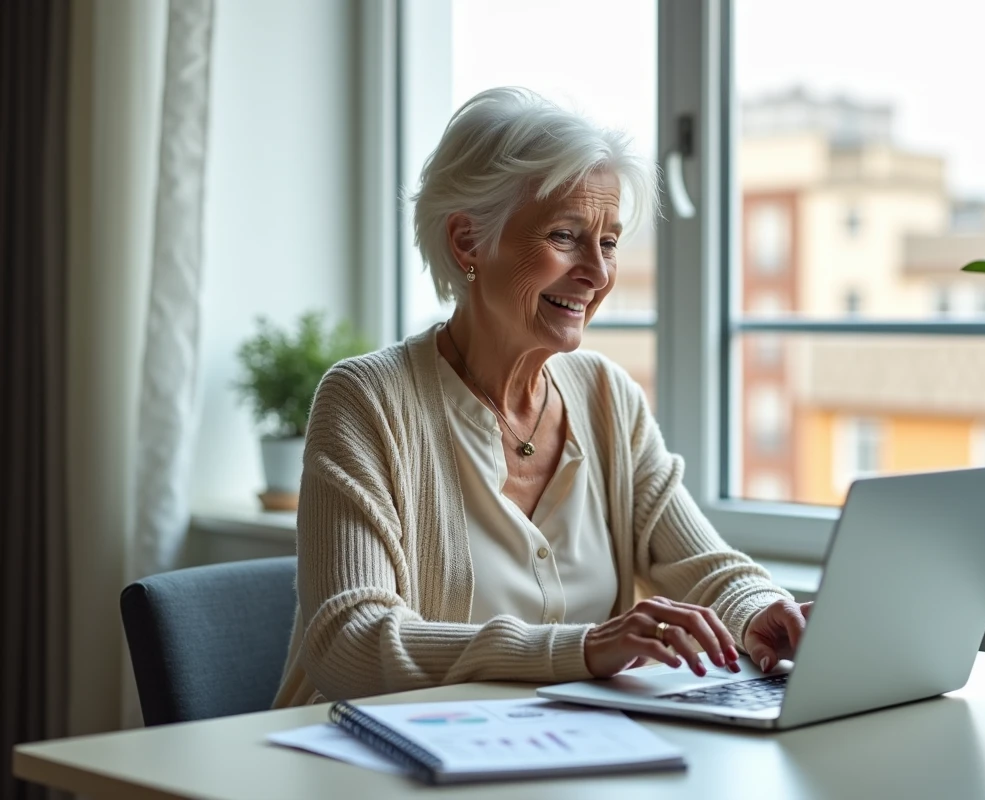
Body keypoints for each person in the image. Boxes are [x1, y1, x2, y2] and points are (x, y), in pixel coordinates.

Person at [274, 87, 812, 707]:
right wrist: (580, 650)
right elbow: (350, 644)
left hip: (549, 749)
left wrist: (760, 609)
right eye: (565, 236)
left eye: (608, 243)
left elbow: (700, 563)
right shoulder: (366, 400)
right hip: (361, 756)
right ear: (468, 242)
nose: (599, 272)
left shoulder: (608, 398)